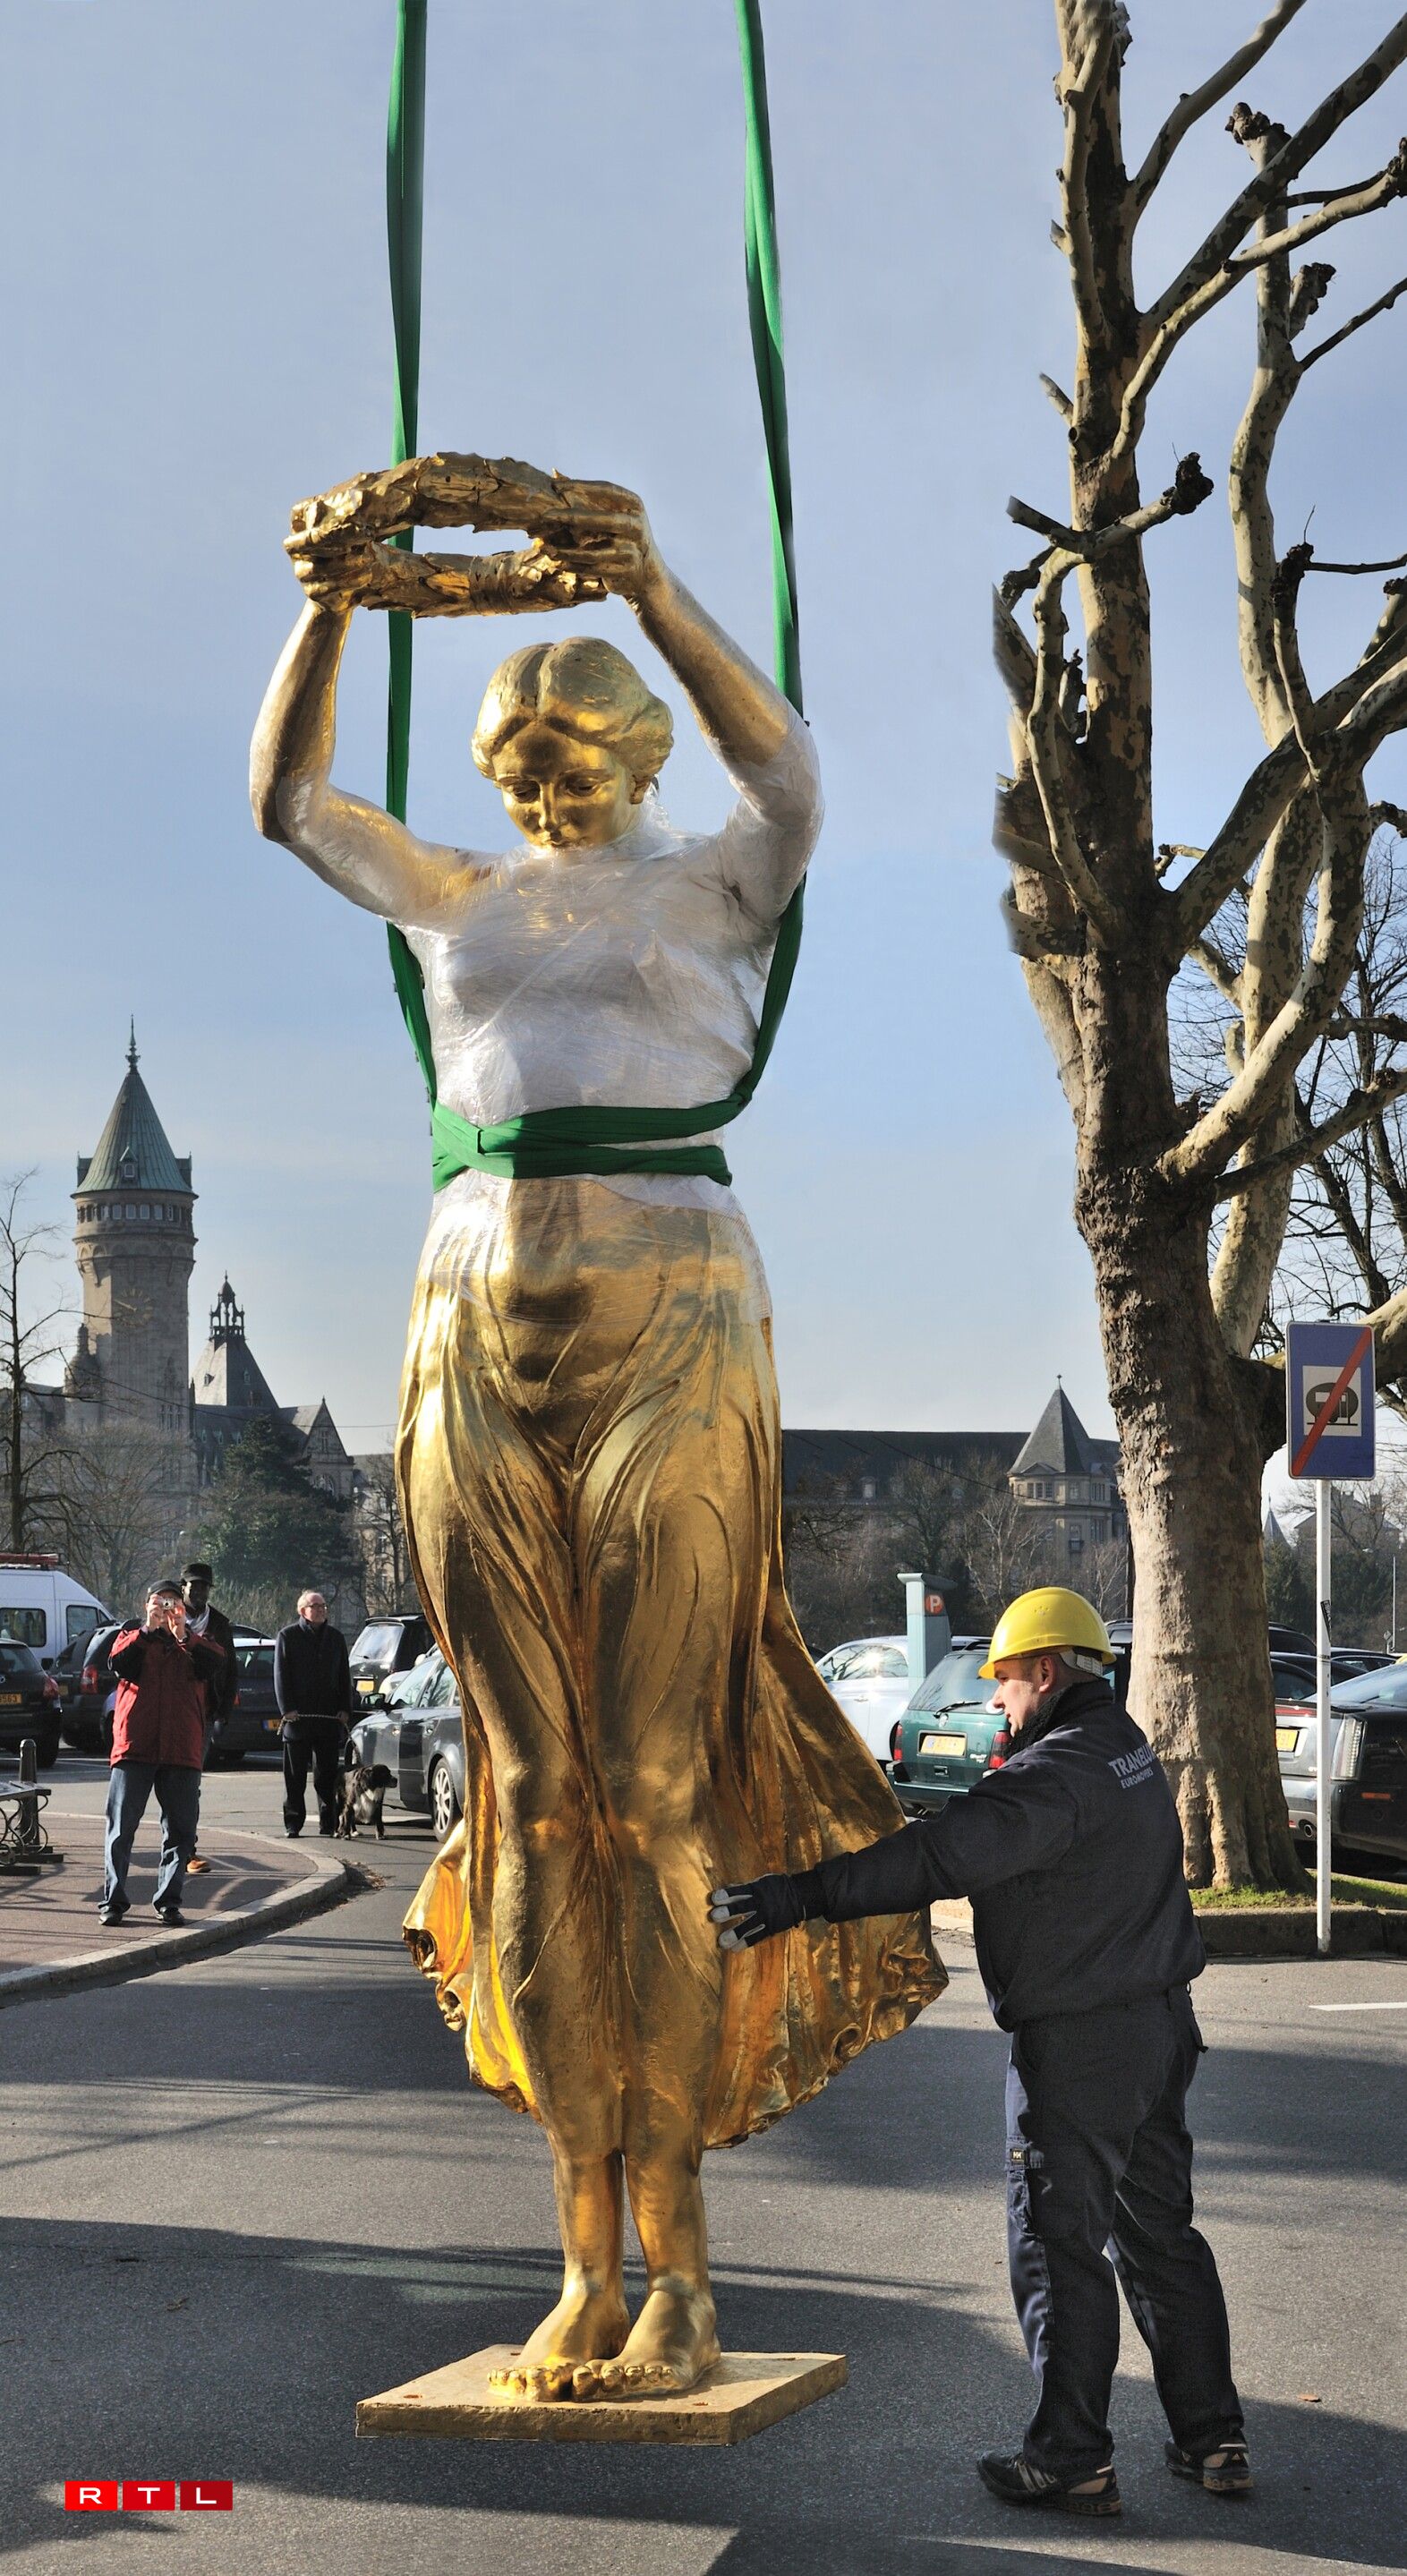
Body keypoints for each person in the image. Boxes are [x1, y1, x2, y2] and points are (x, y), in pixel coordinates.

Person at [250, 462, 942, 2401]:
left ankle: (687, 2272)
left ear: (634, 750)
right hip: (470, 1299)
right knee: (533, 1787)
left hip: (673, 1308)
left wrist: (655, 592)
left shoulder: (713, 884)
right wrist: (329, 606)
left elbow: (794, 778)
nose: (541, 773)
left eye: (575, 740)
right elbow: (293, 806)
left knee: (648, 1785)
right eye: (513, 745)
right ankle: (578, 2251)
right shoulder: (455, 897)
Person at [711, 1586, 1249, 2517]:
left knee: (1055, 2243)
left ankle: (1070, 2455)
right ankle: (1215, 2438)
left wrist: (799, 1895)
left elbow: (940, 1858)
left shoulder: (1054, 1776)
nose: (995, 1701)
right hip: (1160, 2029)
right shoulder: (1122, 1749)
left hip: (1080, 2047)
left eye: (1002, 1681)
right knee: (1160, 2238)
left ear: (1044, 1672)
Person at [101, 1582, 227, 1928]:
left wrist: (182, 1633)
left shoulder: (195, 1642)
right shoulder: (131, 1635)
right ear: (146, 1605)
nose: (167, 1608)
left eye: (173, 1602)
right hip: (135, 1746)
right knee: (121, 1828)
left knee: (181, 1832)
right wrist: (148, 1630)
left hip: (181, 1749)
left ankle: (169, 1901)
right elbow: (118, 1663)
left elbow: (215, 1664)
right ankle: (113, 1901)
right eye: (160, 1602)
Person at [274, 1591, 351, 1838]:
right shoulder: (288, 1636)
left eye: (323, 1606)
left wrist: (345, 1709)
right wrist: (287, 1709)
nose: (320, 1610)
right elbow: (281, 1677)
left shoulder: (336, 1638)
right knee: (294, 1778)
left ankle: (328, 1823)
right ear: (302, 1610)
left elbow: (343, 1676)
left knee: (326, 1776)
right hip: (298, 1719)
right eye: (314, 1606)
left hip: (328, 1719)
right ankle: (293, 1823)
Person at [180, 1560, 235, 1876]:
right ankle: (173, 1847)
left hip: (202, 1713)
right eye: (194, 1585)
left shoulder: (219, 1623)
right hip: (172, 1711)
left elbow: (230, 1670)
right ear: (183, 1587)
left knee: (190, 1784)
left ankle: (188, 1849)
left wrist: (223, 1711)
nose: (199, 1591)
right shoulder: (169, 1619)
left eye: (204, 1587)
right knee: (169, 1785)